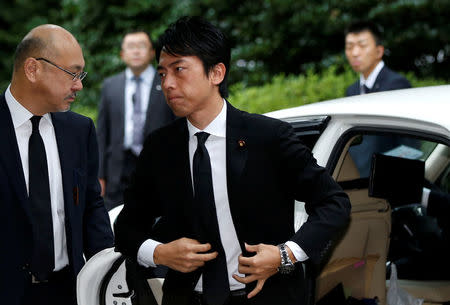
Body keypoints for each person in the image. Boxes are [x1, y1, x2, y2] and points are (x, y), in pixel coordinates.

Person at [115, 16, 351, 305]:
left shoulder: (269, 137)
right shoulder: (160, 147)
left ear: (216, 73)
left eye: (179, 70)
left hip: (265, 296)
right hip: (187, 297)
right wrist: (158, 253)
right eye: (162, 73)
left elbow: (334, 203)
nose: (168, 84)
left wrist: (284, 255)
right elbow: (126, 226)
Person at [0, 24, 114, 305]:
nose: (79, 85)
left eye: (81, 74)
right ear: (32, 69)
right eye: (73, 73)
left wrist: (110, 277)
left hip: (67, 290)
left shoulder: (79, 130)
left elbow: (91, 207)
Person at [97, 30, 175, 211]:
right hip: (118, 169)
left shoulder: (167, 83)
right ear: (122, 54)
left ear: (151, 53)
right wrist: (99, 174)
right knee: (115, 225)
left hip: (158, 167)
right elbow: (102, 133)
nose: (136, 51)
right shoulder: (110, 86)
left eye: (141, 46)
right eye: (131, 47)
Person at [345, 20, 411, 96]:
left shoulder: (397, 86)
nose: (355, 53)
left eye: (362, 45)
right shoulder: (352, 90)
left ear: (379, 51)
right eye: (349, 47)